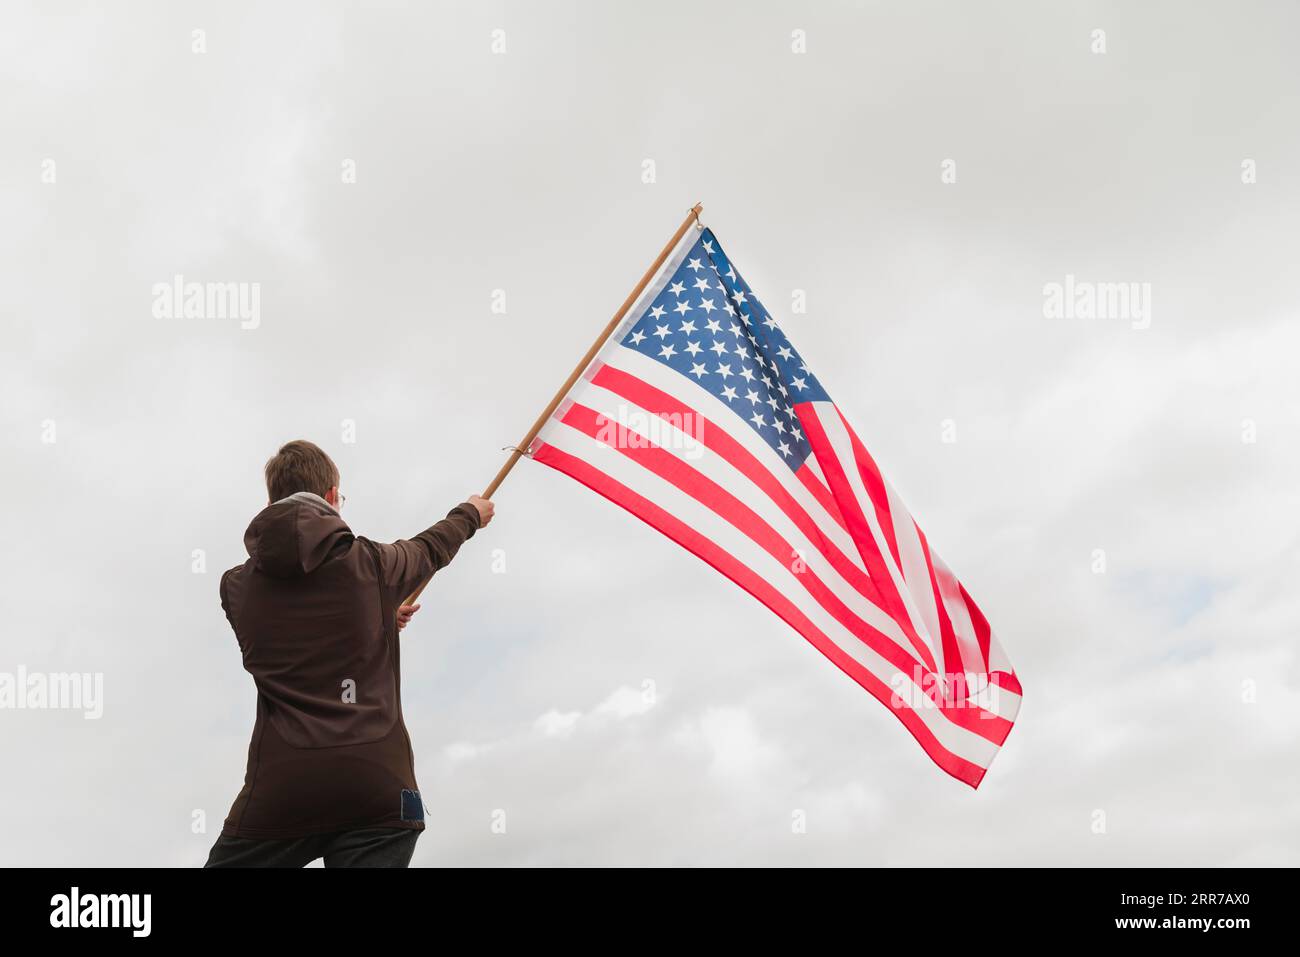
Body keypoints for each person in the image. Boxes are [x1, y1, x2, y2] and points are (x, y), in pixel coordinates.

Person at [203, 440, 493, 867]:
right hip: (378, 790)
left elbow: (293, 642)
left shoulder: (234, 588)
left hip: (283, 791)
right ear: (333, 497)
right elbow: (431, 548)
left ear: (270, 501)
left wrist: (376, 618)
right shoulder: (372, 564)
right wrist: (470, 514)